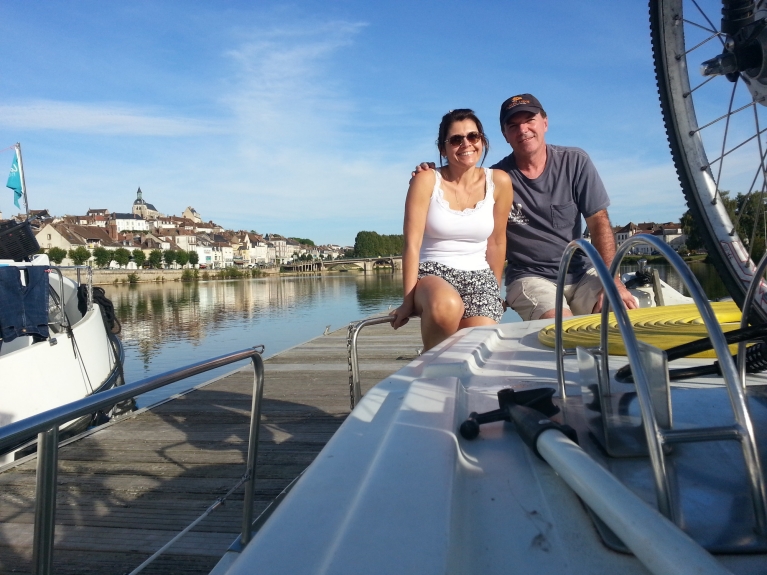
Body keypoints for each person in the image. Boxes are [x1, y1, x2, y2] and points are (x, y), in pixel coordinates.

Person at [416, 94, 637, 321]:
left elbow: (598, 222)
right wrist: (433, 173)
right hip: (530, 277)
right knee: (560, 326)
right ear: (505, 135)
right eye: (513, 125)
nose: (523, 130)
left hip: (582, 273)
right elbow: (462, 189)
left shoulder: (575, 162)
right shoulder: (495, 181)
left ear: (545, 122)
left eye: (529, 120)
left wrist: (612, 281)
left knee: (621, 315)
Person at [390, 109, 513, 351]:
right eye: (456, 139)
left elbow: (497, 242)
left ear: (482, 141)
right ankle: (430, 366)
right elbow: (412, 244)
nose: (466, 144)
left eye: (473, 136)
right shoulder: (426, 180)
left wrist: (493, 291)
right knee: (447, 305)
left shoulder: (499, 181)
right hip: (433, 273)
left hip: (479, 277)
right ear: (443, 148)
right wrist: (407, 300)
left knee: (478, 347)